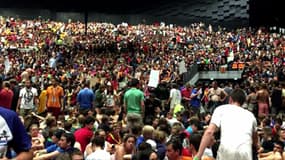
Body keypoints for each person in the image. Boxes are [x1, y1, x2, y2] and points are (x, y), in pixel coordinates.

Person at [195, 88, 258, 160]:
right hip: (245, 152)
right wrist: (257, 147)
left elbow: (209, 132)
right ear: (243, 102)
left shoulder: (221, 109)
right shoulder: (250, 115)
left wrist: (198, 155)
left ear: (230, 99)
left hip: (226, 151)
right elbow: (255, 138)